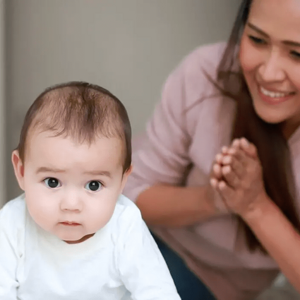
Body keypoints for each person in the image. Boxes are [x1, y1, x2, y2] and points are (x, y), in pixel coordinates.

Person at [123, 0, 300, 299]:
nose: (269, 73)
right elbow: (133, 194)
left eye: (297, 53)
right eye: (256, 39)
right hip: (138, 237)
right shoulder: (206, 74)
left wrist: (254, 205)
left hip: (208, 283)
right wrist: (212, 199)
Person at [0, 82, 181, 300]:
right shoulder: (12, 223)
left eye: (93, 185)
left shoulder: (125, 225)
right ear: (21, 170)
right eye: (52, 182)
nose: (71, 204)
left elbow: (158, 293)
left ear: (123, 181)